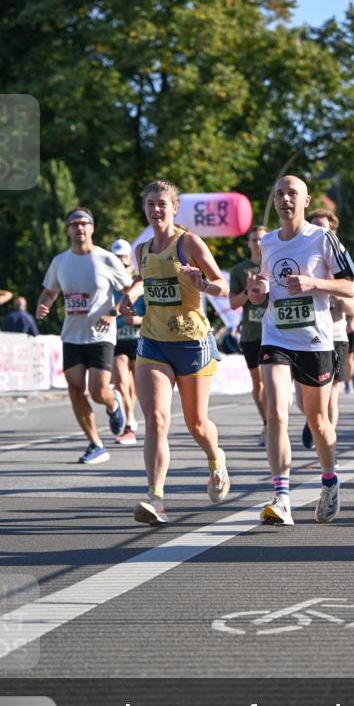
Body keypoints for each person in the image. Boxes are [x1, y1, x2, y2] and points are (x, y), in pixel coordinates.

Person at [246, 175, 354, 526]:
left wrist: (314, 283)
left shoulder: (322, 238)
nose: (284, 199)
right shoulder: (267, 243)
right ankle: (282, 497)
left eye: (292, 193)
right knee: (276, 411)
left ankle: (329, 480)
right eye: (279, 193)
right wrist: (257, 292)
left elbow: (350, 287)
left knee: (318, 420)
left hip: (316, 341)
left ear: (305, 201)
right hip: (276, 337)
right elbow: (267, 286)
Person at [119, 180, 231, 525]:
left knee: (197, 423)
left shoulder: (189, 243)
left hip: (193, 343)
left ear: (174, 208)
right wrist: (131, 297)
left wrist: (203, 284)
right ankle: (156, 498)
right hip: (153, 341)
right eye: (150, 204)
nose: (155, 210)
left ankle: (216, 461)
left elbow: (222, 286)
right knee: (156, 419)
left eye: (161, 204)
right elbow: (146, 281)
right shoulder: (142, 250)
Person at [36, 207, 131, 464]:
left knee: (98, 390)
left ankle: (113, 404)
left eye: (84, 223)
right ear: (67, 230)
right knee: (76, 389)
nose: (79, 228)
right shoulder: (60, 262)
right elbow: (49, 292)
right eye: (74, 224)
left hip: (101, 334)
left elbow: (129, 291)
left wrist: (112, 313)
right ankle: (95, 444)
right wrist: (43, 304)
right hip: (71, 335)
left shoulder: (107, 259)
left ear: (92, 228)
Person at [297, 208, 354, 464]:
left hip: (334, 336)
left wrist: (334, 294)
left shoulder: (340, 259)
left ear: (333, 231)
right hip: (305, 336)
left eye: (325, 228)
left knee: (331, 396)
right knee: (303, 399)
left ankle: (327, 447)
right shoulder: (302, 257)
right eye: (315, 228)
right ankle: (313, 420)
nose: (320, 233)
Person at [229, 225, 268, 445]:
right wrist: (248, 291)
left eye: (262, 239)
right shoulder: (240, 270)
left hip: (275, 334)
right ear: (248, 243)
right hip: (251, 334)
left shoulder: (274, 265)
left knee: (273, 381)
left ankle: (275, 418)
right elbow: (233, 304)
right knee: (259, 382)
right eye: (254, 239)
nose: (257, 243)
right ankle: (267, 422)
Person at [110, 238, 144, 446]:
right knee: (122, 382)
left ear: (131, 263)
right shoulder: (110, 284)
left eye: (124, 262)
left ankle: (130, 414)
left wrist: (137, 320)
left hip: (140, 339)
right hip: (118, 339)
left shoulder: (139, 285)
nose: (121, 266)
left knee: (135, 386)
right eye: (116, 261)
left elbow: (153, 313)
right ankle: (129, 422)